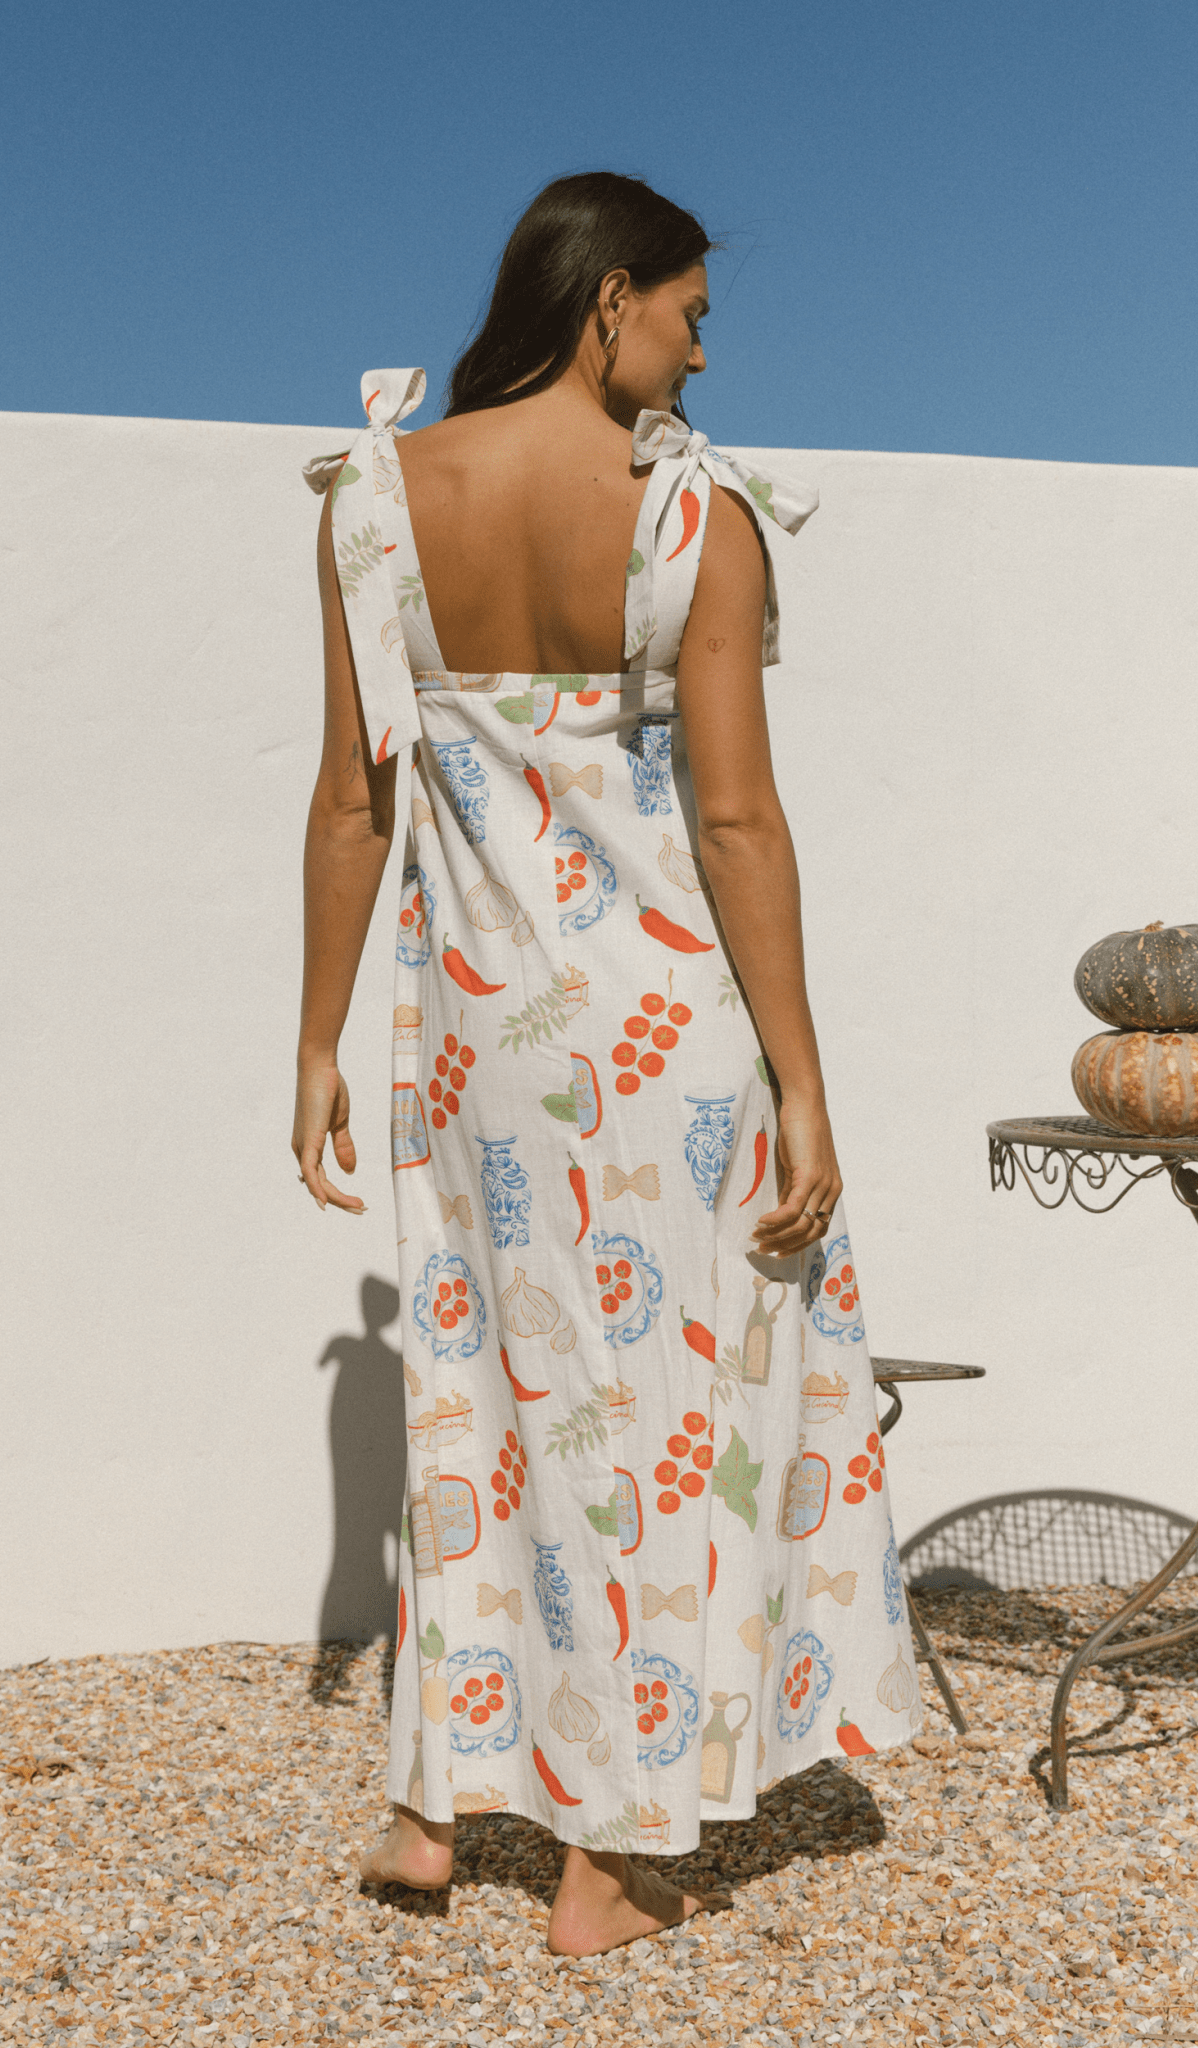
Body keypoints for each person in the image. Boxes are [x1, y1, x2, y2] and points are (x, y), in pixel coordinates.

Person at [294, 171, 920, 1958]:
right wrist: (803, 1079)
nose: (701, 355)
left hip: (470, 1045)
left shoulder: (369, 503)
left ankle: (432, 1808)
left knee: (480, 1412)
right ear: (610, 301)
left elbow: (352, 803)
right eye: (691, 316)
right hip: (668, 1047)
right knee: (662, 1428)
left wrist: (314, 1039)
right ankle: (611, 1858)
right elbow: (735, 820)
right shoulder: (692, 513)